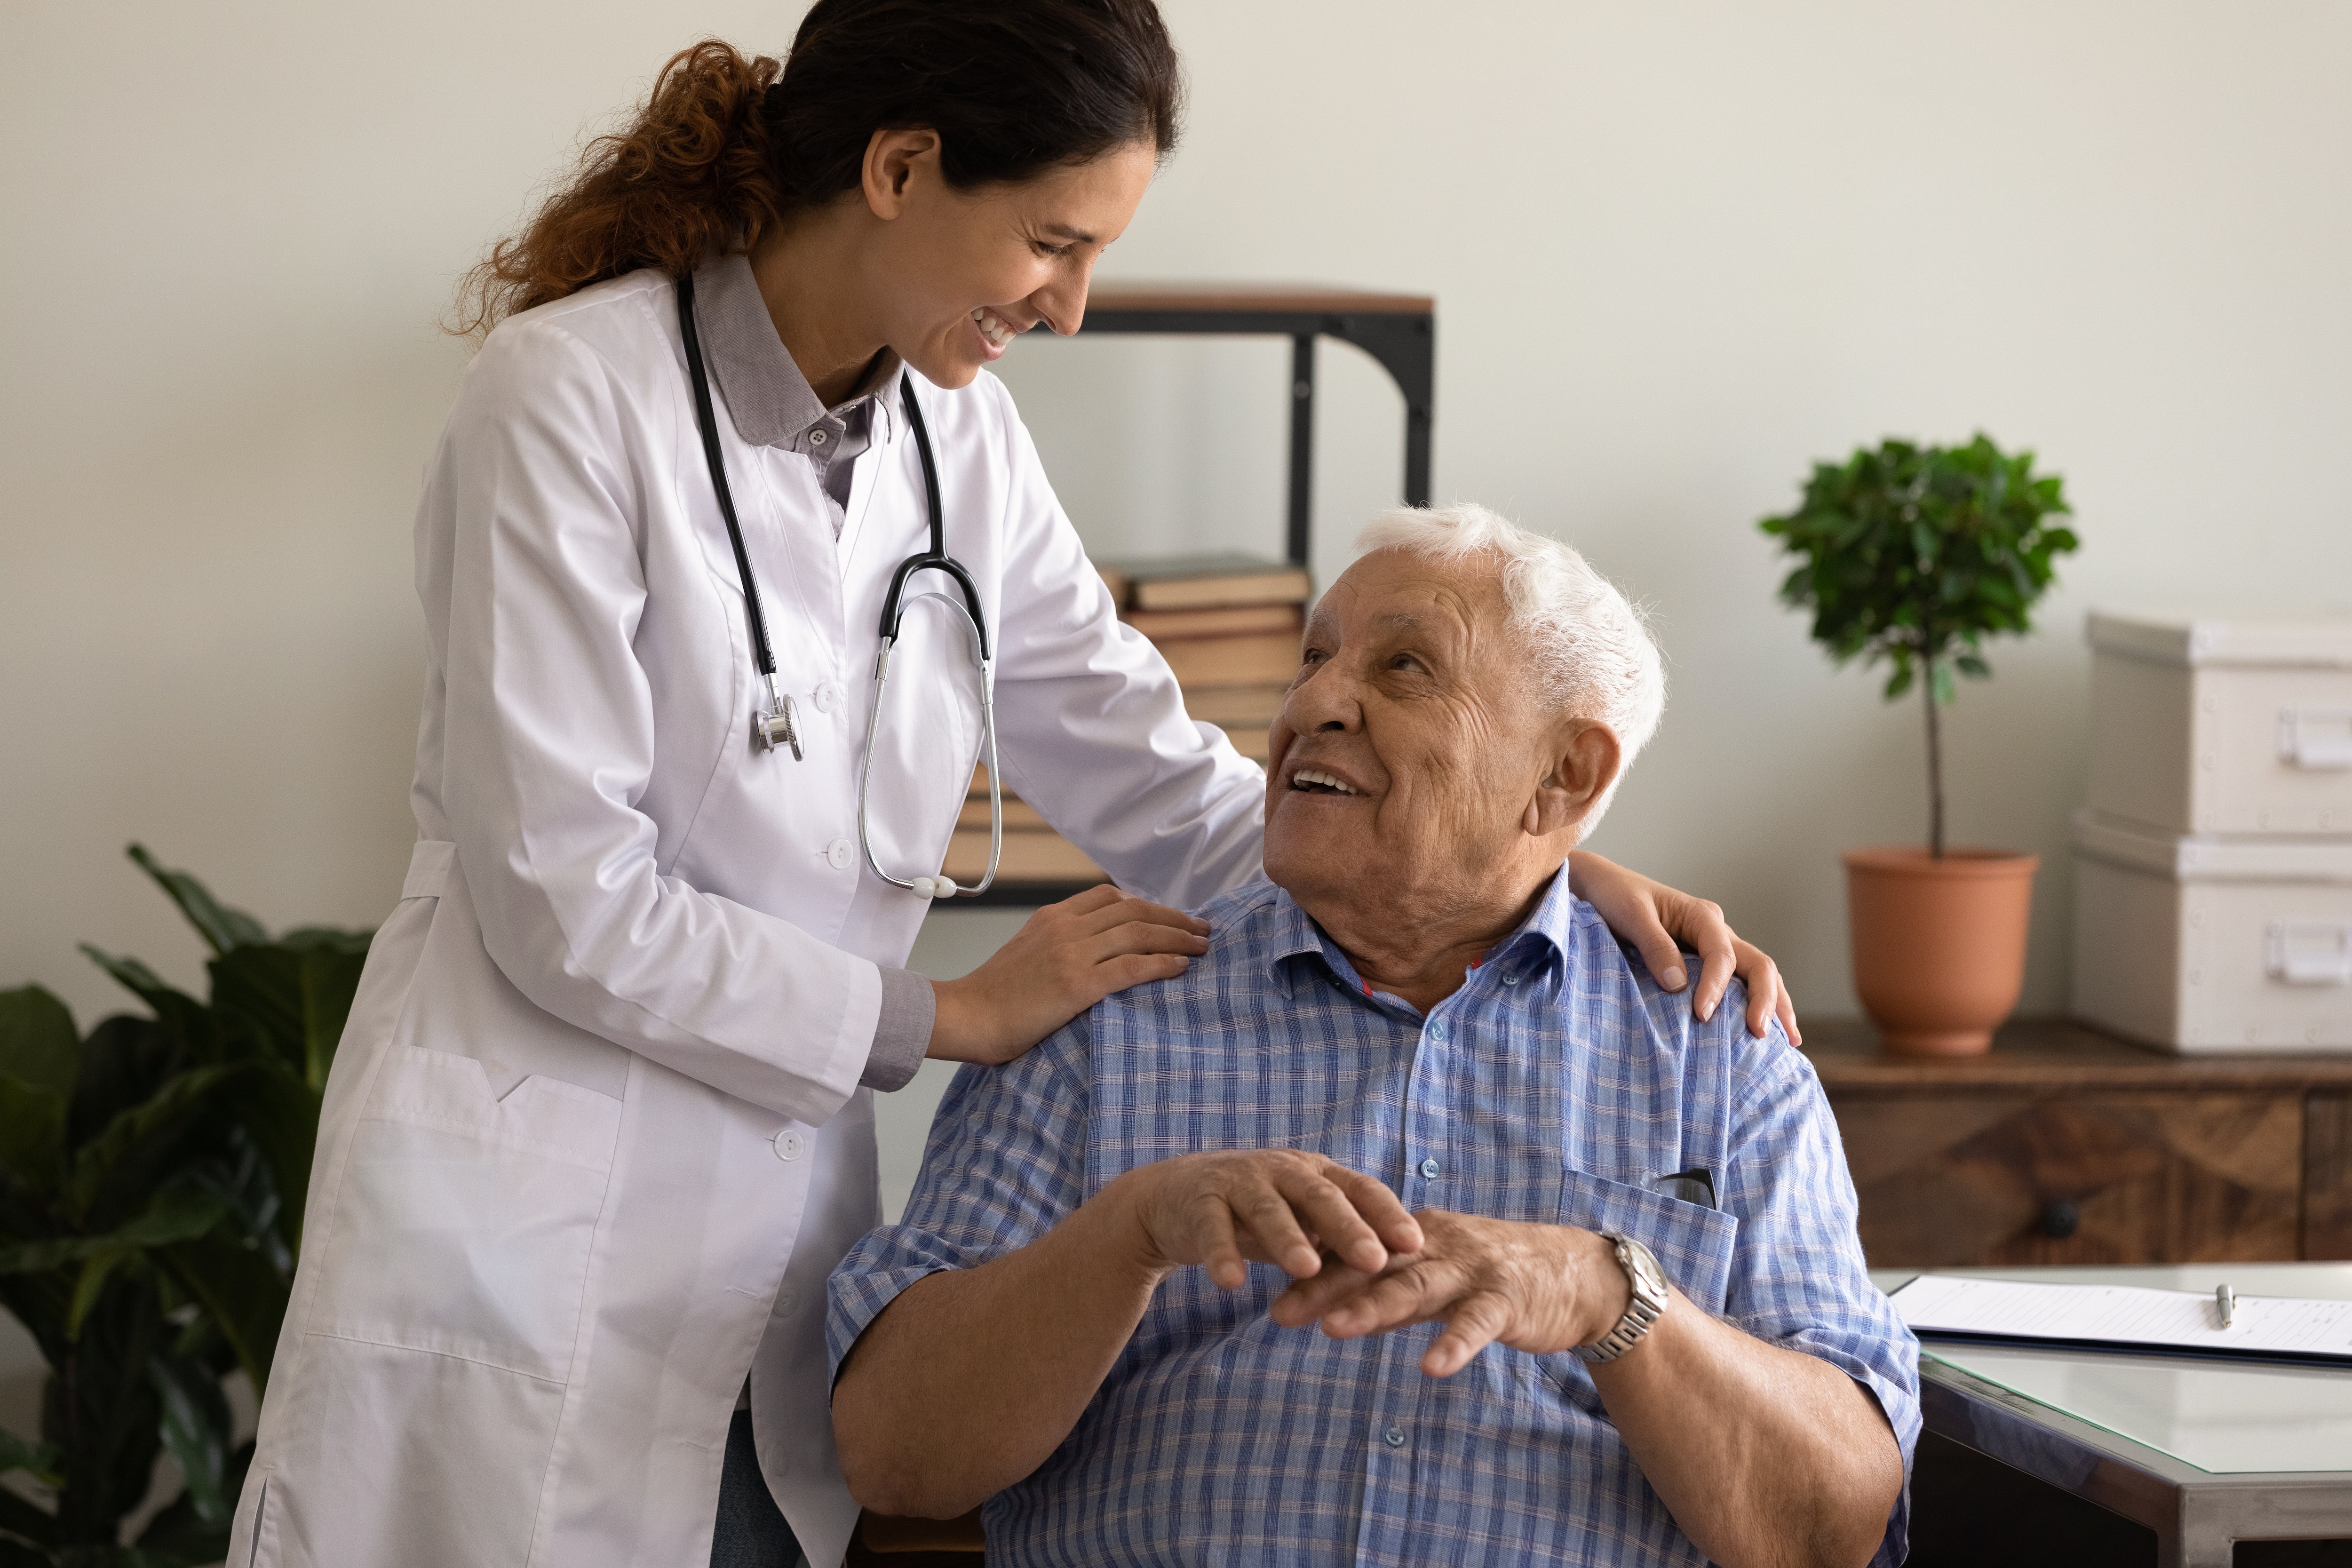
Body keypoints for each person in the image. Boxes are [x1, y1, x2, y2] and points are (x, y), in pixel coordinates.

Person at [227, 8, 1799, 1566]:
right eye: (1054, 242)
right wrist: (948, 1015)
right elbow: (561, 898)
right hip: (524, 1231)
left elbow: (1165, 779)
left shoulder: (952, 444)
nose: (1069, 307)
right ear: (902, 168)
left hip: (765, 1254)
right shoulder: (567, 396)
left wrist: (1529, 864)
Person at [829, 505, 1918, 1568]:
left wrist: (1611, 1294)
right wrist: (1129, 1232)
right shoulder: (1103, 1006)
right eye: (1312, 658)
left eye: (1404, 668)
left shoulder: (1719, 1051)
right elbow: (896, 1457)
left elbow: (1835, 1529)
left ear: (1566, 774)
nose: (1315, 703)